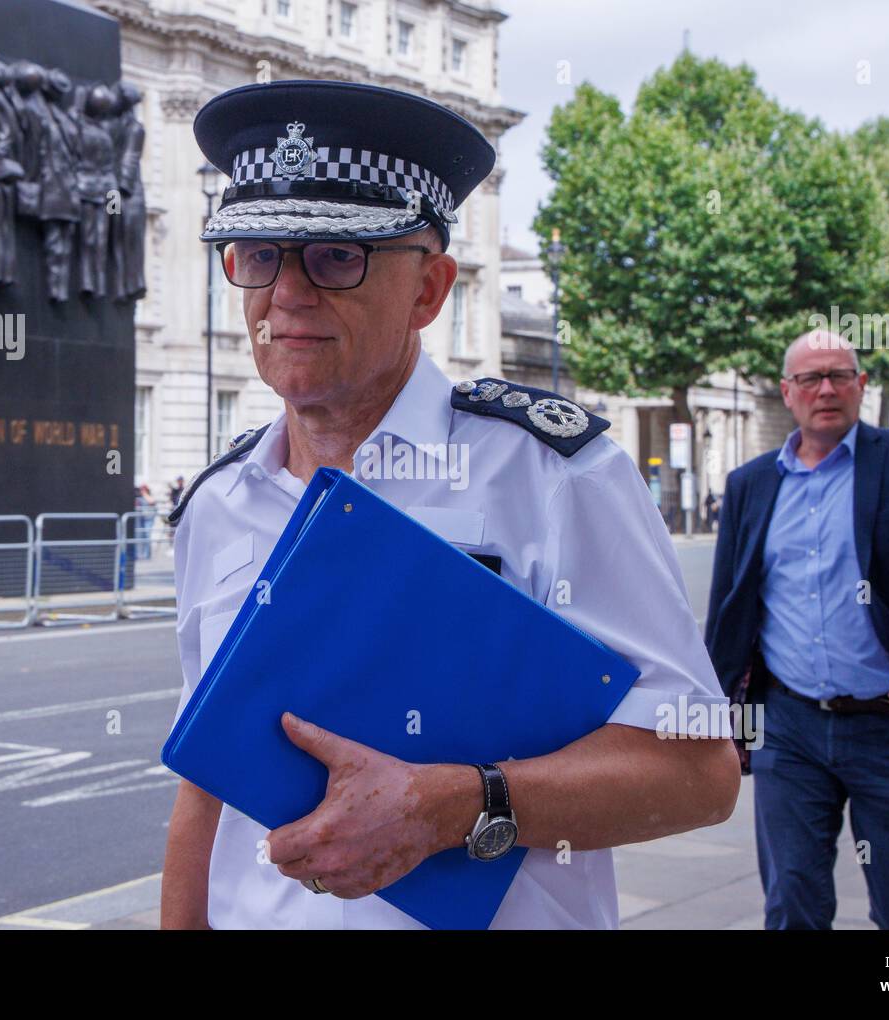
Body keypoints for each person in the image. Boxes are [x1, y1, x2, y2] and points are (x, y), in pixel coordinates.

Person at [160, 79, 739, 930]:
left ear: (429, 290)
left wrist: (459, 806)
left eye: (333, 257)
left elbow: (699, 772)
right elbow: (205, 781)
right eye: (256, 253)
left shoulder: (553, 476)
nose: (286, 293)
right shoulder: (219, 503)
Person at [705, 330, 889, 930]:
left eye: (840, 375)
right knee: (792, 906)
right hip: (789, 728)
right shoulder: (750, 484)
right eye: (810, 378)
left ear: (861, 386)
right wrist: (714, 712)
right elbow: (730, 610)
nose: (826, 389)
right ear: (788, 392)